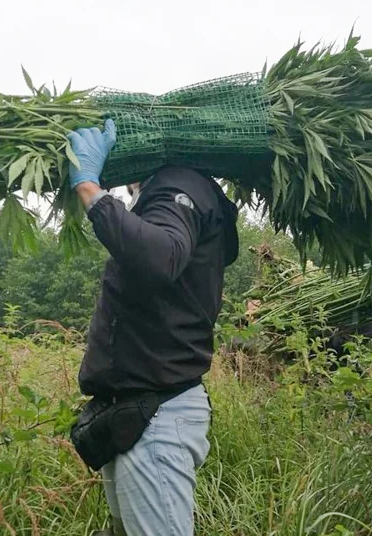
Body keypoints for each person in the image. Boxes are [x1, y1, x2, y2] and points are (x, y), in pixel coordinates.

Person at [66, 119, 239, 536]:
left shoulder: (177, 185)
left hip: (156, 420)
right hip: (138, 415)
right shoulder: (175, 192)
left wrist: (91, 189)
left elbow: (161, 256)